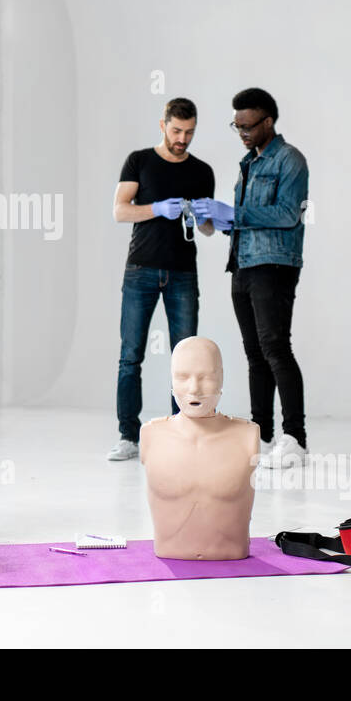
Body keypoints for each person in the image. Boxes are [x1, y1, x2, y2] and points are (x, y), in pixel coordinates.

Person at [192, 87, 309, 467]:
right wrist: (215, 219)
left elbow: (286, 214)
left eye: (247, 125)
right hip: (242, 265)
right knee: (255, 354)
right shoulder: (249, 164)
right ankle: (262, 434)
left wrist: (235, 214)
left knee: (276, 348)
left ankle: (295, 438)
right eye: (236, 126)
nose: (241, 132)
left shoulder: (290, 160)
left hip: (274, 265)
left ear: (268, 122)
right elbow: (244, 222)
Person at [109, 97, 217, 461]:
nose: (182, 138)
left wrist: (204, 217)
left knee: (186, 359)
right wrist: (156, 208)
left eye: (189, 132)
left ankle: (182, 431)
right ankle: (128, 436)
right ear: (163, 125)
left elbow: (207, 230)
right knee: (130, 355)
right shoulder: (139, 160)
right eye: (176, 131)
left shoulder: (202, 171)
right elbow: (120, 211)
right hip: (141, 269)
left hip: (183, 273)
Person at [141, 336, 258, 560]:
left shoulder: (247, 435)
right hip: (169, 558)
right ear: (171, 379)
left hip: (232, 559)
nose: (194, 389)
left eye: (206, 377)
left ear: (221, 378)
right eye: (183, 377)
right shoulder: (151, 434)